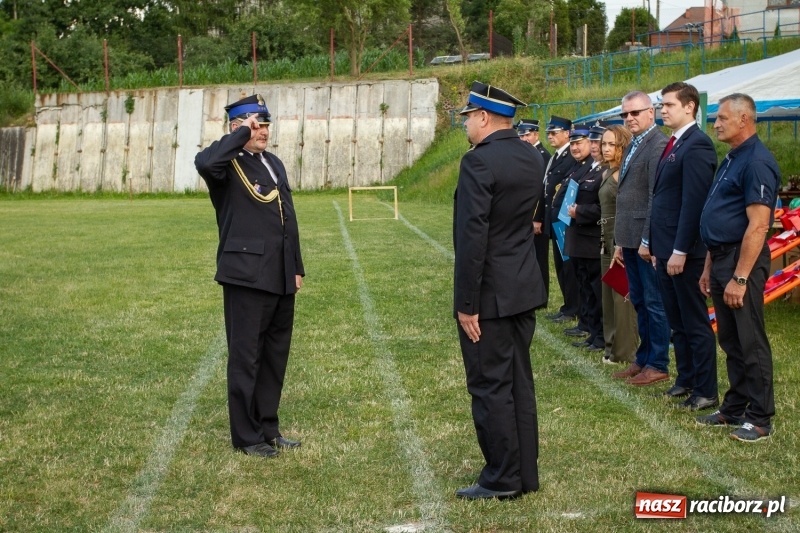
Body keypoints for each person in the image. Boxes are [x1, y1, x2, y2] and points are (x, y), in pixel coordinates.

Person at [195, 94, 304, 458]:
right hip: (245, 274)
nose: (263, 132)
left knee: (274, 355)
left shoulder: (273, 163)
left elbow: (287, 218)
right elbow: (207, 161)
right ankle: (246, 436)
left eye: (266, 124)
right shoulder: (224, 164)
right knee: (246, 356)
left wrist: (297, 266)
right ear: (238, 126)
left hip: (279, 273)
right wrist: (240, 135)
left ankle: (268, 427)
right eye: (256, 124)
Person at [453, 81, 546, 499]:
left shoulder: (479, 162)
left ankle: (502, 478)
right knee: (517, 383)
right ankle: (524, 473)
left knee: (490, 386)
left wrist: (467, 304)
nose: (467, 125)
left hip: (490, 294)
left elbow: (474, 239)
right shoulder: (531, 157)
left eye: (468, 117)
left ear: (484, 117)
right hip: (522, 286)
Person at [696, 93, 780, 442]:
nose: (715, 124)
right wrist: (708, 266)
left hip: (741, 261)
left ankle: (760, 418)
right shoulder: (732, 157)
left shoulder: (757, 161)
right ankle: (736, 407)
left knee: (750, 339)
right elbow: (722, 218)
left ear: (744, 119)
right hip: (721, 257)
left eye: (722, 118)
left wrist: (741, 277)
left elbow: (758, 226)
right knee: (730, 338)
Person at [650, 82, 719, 410]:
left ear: (689, 106)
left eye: (669, 105)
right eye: (661, 105)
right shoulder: (675, 142)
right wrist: (656, 246)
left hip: (685, 252)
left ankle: (705, 389)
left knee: (694, 321)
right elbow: (663, 199)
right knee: (677, 320)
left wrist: (680, 250)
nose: (663, 110)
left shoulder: (697, 145)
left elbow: (693, 204)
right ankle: (687, 378)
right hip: (665, 249)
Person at [611, 91, 671, 386]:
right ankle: (644, 357)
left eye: (635, 113)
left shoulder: (657, 144)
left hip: (645, 240)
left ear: (652, 112)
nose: (629, 119)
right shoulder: (634, 144)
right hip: (630, 237)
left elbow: (653, 198)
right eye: (625, 114)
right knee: (639, 299)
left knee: (653, 300)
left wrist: (648, 240)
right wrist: (622, 240)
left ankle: (658, 361)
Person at [599, 125, 638, 365]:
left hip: (619, 239)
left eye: (611, 144)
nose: (605, 148)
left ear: (622, 146)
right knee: (608, 296)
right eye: (603, 143)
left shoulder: (624, 174)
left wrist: (621, 242)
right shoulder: (607, 172)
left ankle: (625, 351)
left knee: (622, 297)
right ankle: (611, 345)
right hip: (604, 238)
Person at [535, 116, 580, 324]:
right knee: (561, 267)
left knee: (569, 267)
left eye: (554, 133)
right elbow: (547, 189)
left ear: (567, 134)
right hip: (554, 219)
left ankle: (573, 307)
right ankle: (567, 305)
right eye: (549, 134)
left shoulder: (571, 155)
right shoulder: (556, 156)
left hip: (565, 221)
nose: (550, 137)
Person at [564, 124, 604, 352]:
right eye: (597, 143)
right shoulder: (588, 168)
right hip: (579, 237)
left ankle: (599, 335)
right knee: (586, 289)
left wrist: (580, 212)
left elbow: (605, 208)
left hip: (592, 238)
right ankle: (590, 330)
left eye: (602, 143)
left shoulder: (605, 171)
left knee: (595, 290)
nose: (598, 147)